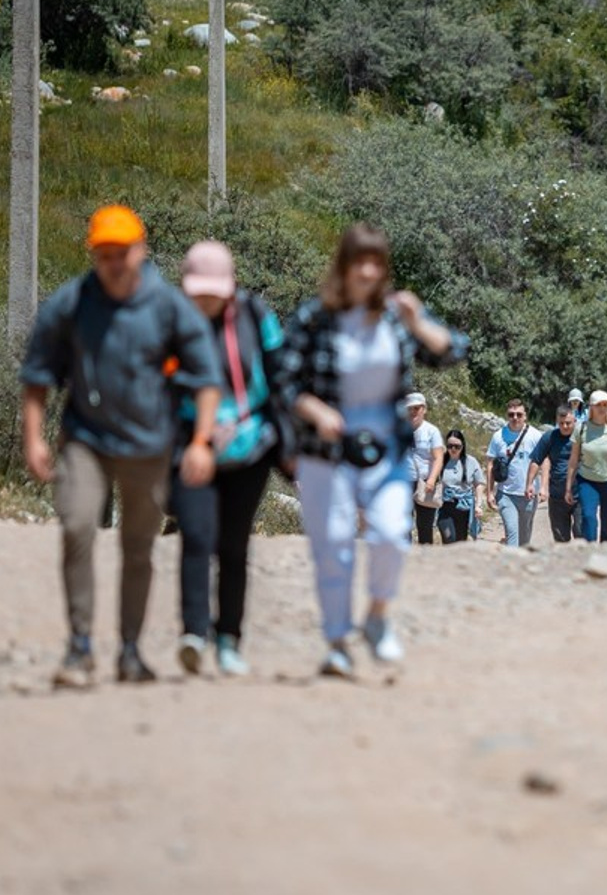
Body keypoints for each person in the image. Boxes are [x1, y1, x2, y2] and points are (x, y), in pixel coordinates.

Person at [20, 205, 221, 687]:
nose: (113, 261)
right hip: (84, 439)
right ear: (93, 254)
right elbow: (37, 374)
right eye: (103, 253)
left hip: (149, 444)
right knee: (76, 527)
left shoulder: (167, 306)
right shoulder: (72, 302)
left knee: (138, 546)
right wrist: (33, 437)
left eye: (122, 252)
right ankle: (79, 648)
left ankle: (130, 651)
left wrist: (200, 441)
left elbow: (207, 377)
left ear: (141, 250)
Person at [278, 222, 468, 678]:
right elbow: (281, 380)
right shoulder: (315, 317)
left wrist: (417, 320)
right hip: (326, 450)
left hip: (385, 449)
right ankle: (337, 642)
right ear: (343, 266)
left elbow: (453, 351)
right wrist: (318, 412)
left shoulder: (392, 317)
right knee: (335, 545)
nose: (367, 271)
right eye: (358, 262)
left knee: (388, 533)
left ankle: (378, 617)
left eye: (375, 262)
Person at [169, 240, 290, 677]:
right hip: (189, 443)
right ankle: (193, 633)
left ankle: (229, 637)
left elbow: (279, 380)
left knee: (234, 545)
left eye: (213, 291)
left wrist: (287, 446)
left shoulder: (257, 317)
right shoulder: (171, 321)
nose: (205, 300)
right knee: (196, 535)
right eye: (198, 290)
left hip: (250, 446)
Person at [566, 389, 607, 544]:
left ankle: (606, 557)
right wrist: (568, 487)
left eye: (605, 404)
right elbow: (573, 460)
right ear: (591, 407)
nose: (602, 408)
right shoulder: (581, 429)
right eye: (599, 405)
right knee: (588, 517)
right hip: (587, 481)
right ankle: (590, 552)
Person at [486, 399, 543, 547]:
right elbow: (491, 463)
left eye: (519, 414)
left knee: (524, 540)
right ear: (507, 415)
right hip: (506, 494)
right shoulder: (498, 436)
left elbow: (546, 461)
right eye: (511, 415)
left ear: (525, 416)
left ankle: (520, 567)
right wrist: (490, 492)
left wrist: (544, 487)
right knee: (512, 534)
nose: (515, 418)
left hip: (528, 495)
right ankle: (510, 565)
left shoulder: (535, 435)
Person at [526, 404, 578, 542]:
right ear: (557, 422)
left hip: (580, 496)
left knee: (582, 535)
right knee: (561, 540)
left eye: (568, 423)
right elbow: (536, 460)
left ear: (575, 421)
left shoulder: (582, 438)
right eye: (561, 423)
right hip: (557, 497)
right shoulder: (550, 437)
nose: (565, 427)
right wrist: (530, 483)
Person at [406, 392, 444, 545]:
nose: (413, 412)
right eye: (410, 408)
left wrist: (432, 479)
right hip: (404, 481)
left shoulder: (431, 431)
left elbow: (438, 457)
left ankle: (426, 556)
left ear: (424, 409)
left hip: (424, 481)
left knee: (424, 525)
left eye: (417, 408)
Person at [437, 429, 485, 544]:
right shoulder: (440, 461)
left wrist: (478, 505)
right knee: (449, 538)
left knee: (460, 543)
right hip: (445, 506)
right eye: (450, 446)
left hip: (464, 508)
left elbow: (479, 483)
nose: (453, 449)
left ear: (463, 446)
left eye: (457, 446)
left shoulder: (471, 461)